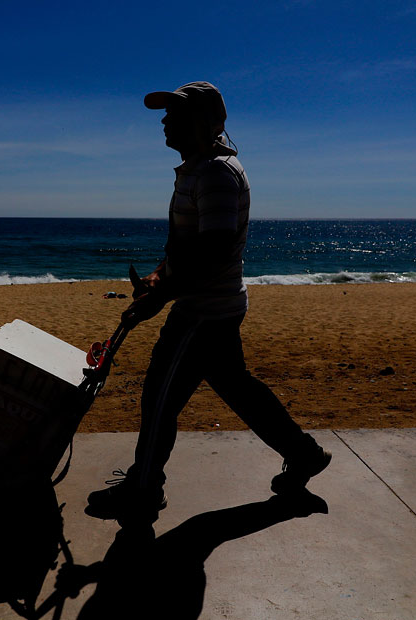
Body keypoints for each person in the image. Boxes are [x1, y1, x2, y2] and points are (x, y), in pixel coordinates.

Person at [85, 81, 331, 524]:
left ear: (203, 123)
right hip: (213, 306)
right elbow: (185, 245)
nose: (164, 121)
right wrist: (158, 276)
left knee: (159, 397)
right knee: (238, 389)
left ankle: (143, 490)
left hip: (203, 313)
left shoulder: (216, 174)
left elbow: (213, 251)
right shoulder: (197, 171)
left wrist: (161, 297)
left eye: (174, 115)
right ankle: (304, 454)